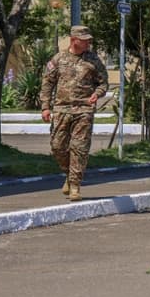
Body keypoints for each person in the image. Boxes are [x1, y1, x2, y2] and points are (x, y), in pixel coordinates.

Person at [39, 25, 109, 202]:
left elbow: (103, 83)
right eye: (84, 40)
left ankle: (75, 185)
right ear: (73, 40)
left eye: (89, 40)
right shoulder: (59, 59)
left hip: (83, 110)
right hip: (61, 109)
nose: (88, 43)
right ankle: (69, 175)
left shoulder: (93, 60)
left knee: (79, 148)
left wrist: (97, 94)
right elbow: (47, 83)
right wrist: (45, 107)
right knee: (57, 146)